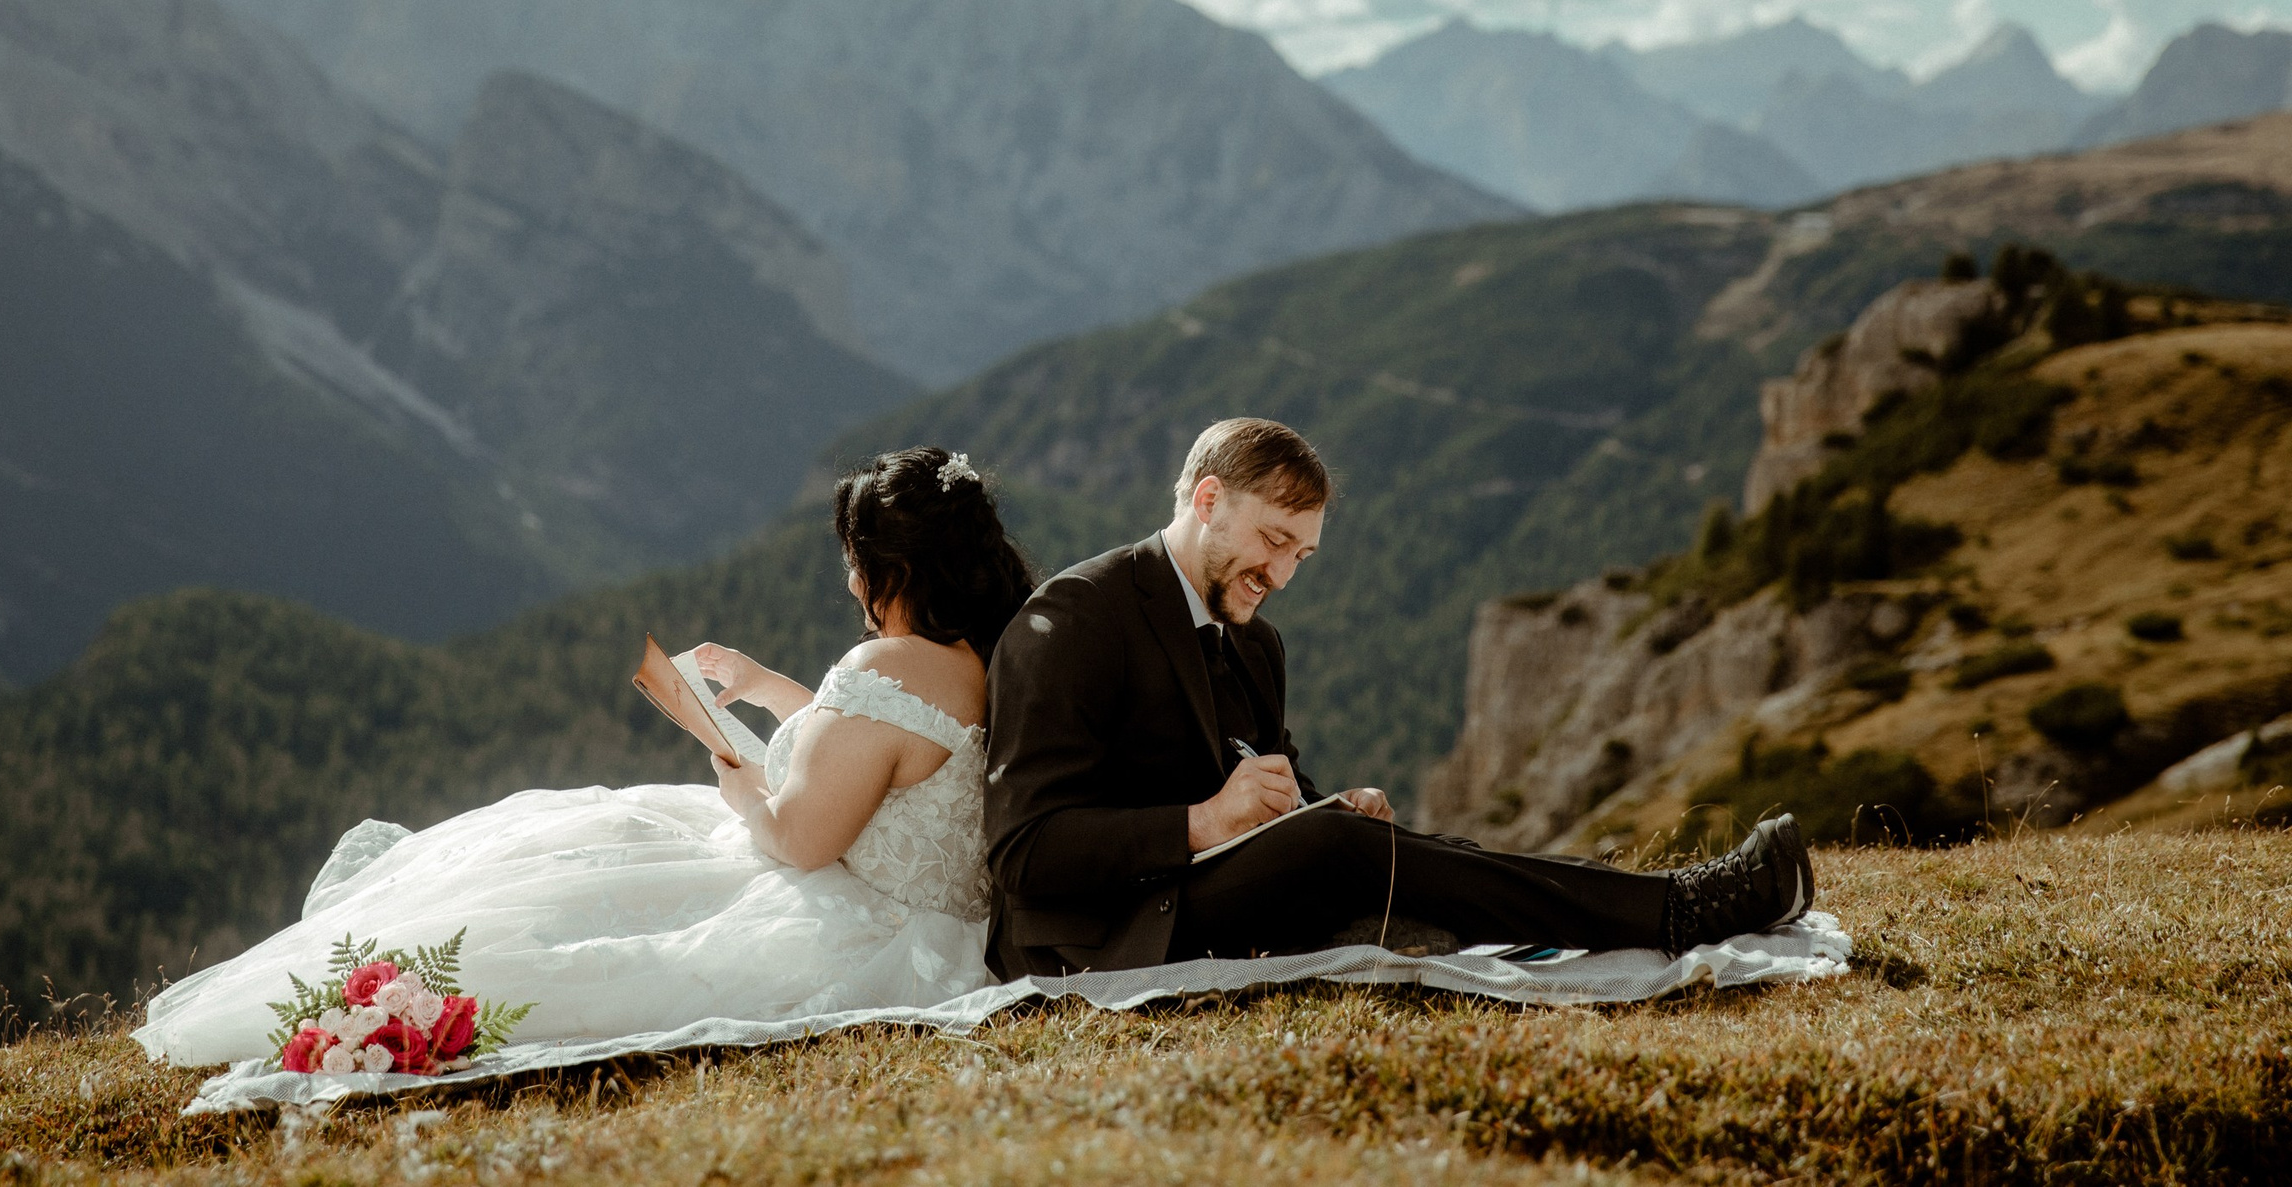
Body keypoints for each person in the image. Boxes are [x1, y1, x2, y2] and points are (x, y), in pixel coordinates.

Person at [134, 446, 1029, 1069]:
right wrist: (768, 688)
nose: (849, 580)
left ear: (895, 569)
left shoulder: (882, 666)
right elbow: (885, 752)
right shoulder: (973, 657)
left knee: (590, 884)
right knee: (597, 842)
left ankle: (386, 999)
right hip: (940, 918)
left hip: (863, 921)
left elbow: (800, 838)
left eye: (856, 560)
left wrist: (741, 791)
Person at [981, 417, 1814, 978]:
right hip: (1098, 933)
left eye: (1302, 556)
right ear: (1208, 501)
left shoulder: (1256, 643)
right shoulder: (1075, 618)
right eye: (1274, 539)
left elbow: (1273, 789)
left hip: (1204, 892)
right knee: (1337, 849)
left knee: (1355, 837)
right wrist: (1203, 821)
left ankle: (1640, 902)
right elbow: (1022, 851)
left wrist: (1325, 805)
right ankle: (1675, 908)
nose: (1281, 575)